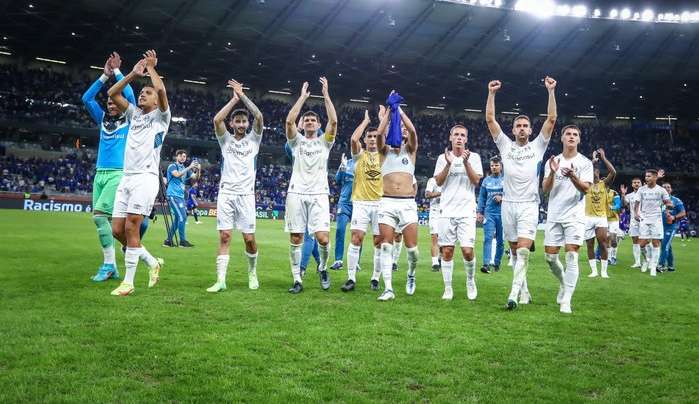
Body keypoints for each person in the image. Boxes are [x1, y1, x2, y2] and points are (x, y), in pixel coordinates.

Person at [485, 76, 558, 310]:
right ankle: (525, 291)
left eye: (526, 125)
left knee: (524, 251)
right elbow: (489, 119)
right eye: (518, 125)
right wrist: (492, 94)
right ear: (513, 129)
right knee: (515, 252)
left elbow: (552, 119)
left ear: (531, 129)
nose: (522, 128)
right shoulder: (505, 146)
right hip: (508, 204)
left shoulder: (538, 146)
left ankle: (513, 295)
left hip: (529, 204)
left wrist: (551, 91)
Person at [107, 50, 168, 296]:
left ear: (155, 101)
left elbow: (162, 91)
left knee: (132, 226)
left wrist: (152, 68)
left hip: (146, 177)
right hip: (128, 177)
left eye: (147, 92)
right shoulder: (133, 114)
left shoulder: (162, 117)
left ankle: (129, 283)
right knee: (117, 230)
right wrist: (133, 74)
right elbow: (113, 93)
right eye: (142, 92)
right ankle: (152, 262)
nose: (143, 94)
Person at [81, 52, 135, 282]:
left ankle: (109, 264)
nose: (111, 105)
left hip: (117, 174)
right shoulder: (103, 119)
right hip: (99, 175)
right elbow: (86, 99)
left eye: (115, 102)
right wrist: (104, 76)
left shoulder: (130, 119)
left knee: (99, 217)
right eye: (109, 102)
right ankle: (132, 252)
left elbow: (131, 97)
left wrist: (119, 73)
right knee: (107, 222)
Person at [207, 78, 264, 292]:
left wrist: (243, 96)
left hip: (246, 195)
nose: (241, 124)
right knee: (225, 236)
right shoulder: (226, 141)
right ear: (232, 124)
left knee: (249, 239)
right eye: (237, 121)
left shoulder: (254, 140)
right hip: (227, 193)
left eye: (243, 121)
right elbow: (216, 120)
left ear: (247, 124)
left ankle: (252, 272)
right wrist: (233, 100)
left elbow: (259, 115)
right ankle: (221, 280)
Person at [284, 78, 337, 294]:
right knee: (296, 238)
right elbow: (289, 122)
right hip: (296, 193)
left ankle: (323, 267)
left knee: (323, 238)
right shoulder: (296, 142)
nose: (309, 122)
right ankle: (297, 280)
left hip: (319, 194)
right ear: (302, 124)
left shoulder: (325, 141)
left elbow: (333, 122)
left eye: (313, 120)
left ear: (318, 124)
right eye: (306, 120)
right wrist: (303, 98)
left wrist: (326, 96)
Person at [542, 125, 593, 314]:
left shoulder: (585, 163)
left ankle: (567, 301)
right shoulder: (553, 161)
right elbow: (545, 189)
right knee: (550, 257)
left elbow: (587, 189)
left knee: (572, 254)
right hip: (554, 214)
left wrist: (572, 176)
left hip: (575, 215)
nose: (572, 137)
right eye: (568, 134)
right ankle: (564, 282)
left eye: (575, 135)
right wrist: (554, 172)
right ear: (562, 138)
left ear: (579, 140)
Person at [375, 91, 419, 301]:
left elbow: (412, 130)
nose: (401, 131)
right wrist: (388, 113)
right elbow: (378, 134)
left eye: (402, 129)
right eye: (398, 128)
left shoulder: (410, 151)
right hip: (387, 201)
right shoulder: (384, 152)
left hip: (408, 203)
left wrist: (398, 109)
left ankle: (410, 275)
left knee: (413, 251)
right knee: (386, 245)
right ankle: (388, 288)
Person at [433, 125, 483, 301]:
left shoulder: (474, 157)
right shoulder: (442, 158)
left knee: (468, 251)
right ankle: (448, 288)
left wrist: (466, 162)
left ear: (466, 139)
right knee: (447, 251)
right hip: (447, 211)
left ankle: (470, 281)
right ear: (450, 137)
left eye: (463, 135)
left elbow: (476, 180)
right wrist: (448, 163)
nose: (459, 138)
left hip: (467, 211)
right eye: (456, 135)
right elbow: (438, 182)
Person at [341, 109, 385, 292]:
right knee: (356, 238)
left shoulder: (384, 154)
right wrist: (366, 121)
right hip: (360, 202)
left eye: (376, 136)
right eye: (370, 137)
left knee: (378, 242)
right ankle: (351, 278)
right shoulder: (359, 155)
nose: (373, 139)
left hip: (380, 203)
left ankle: (375, 278)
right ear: (365, 140)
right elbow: (353, 140)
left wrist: (383, 120)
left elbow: (388, 138)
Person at [583, 149, 616, 278]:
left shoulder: (604, 184)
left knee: (603, 243)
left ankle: (603, 271)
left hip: (601, 217)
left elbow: (613, 172)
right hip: (588, 217)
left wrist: (603, 158)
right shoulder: (585, 185)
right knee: (589, 244)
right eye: (592, 172)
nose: (594, 174)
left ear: (599, 173)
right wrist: (591, 162)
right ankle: (594, 271)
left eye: (596, 171)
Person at [635, 169, 673, 277]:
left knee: (656, 243)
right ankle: (646, 260)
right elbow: (637, 202)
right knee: (642, 243)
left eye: (649, 176)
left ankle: (653, 266)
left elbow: (667, 201)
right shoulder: (641, 189)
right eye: (646, 176)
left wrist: (669, 205)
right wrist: (636, 213)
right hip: (644, 218)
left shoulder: (661, 190)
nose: (646, 178)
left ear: (655, 177)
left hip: (656, 219)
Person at [163, 150, 199, 248]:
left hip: (180, 197)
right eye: (181, 156)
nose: (183, 158)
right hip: (173, 195)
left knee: (178, 219)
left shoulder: (184, 168)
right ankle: (183, 241)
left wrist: (198, 169)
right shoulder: (172, 166)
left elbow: (195, 177)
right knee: (182, 217)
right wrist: (190, 167)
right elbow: (177, 175)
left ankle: (168, 241)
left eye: (185, 156)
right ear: (177, 156)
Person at [477, 156, 504, 273]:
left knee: (500, 240)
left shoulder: (507, 180)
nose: (494, 167)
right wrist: (479, 212)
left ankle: (497, 262)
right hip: (489, 214)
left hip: (503, 213)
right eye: (492, 165)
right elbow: (482, 197)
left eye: (496, 165)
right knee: (487, 238)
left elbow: (514, 194)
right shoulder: (486, 180)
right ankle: (486, 264)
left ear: (501, 166)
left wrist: (503, 198)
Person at [331, 153, 356, 271]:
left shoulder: (364, 162)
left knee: (357, 233)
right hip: (344, 203)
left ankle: (355, 262)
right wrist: (342, 168)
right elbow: (337, 180)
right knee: (340, 230)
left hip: (358, 203)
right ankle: (338, 260)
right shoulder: (347, 163)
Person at [658, 182, 685, 272]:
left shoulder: (676, 200)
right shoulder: (657, 200)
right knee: (667, 246)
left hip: (670, 226)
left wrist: (674, 217)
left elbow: (683, 213)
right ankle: (670, 266)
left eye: (668, 187)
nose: (666, 188)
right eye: (664, 187)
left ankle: (660, 265)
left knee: (665, 246)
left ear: (671, 189)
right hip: (659, 226)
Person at [621, 177, 643, 268]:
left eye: (638, 182)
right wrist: (623, 194)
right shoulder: (629, 196)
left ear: (641, 184)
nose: (636, 184)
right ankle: (637, 262)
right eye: (634, 182)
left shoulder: (645, 193)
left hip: (645, 220)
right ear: (632, 184)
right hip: (634, 221)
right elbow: (624, 205)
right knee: (635, 241)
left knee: (647, 241)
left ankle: (649, 260)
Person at [424, 176, 442, 271]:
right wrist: (441, 193)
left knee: (444, 240)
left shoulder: (451, 179)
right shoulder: (433, 180)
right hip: (435, 212)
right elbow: (427, 194)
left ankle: (440, 260)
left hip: (447, 212)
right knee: (434, 237)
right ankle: (434, 263)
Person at [605, 188, 622, 265]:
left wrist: (613, 207)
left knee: (613, 239)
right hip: (604, 219)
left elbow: (618, 205)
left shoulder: (614, 193)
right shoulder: (599, 193)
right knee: (606, 239)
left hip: (613, 219)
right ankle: (608, 258)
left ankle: (614, 257)